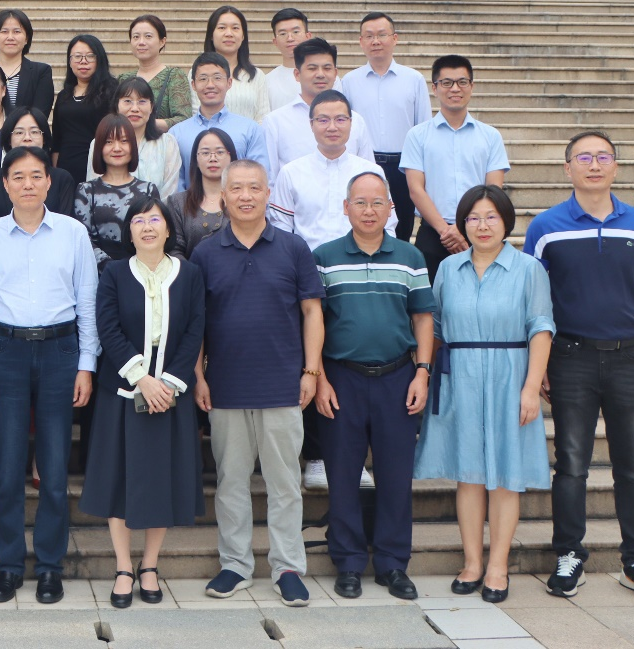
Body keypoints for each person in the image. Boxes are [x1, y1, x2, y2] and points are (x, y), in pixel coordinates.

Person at [526, 131, 634, 604]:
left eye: (603, 157)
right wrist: (539, 362)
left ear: (615, 166)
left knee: (632, 465)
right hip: (570, 357)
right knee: (571, 465)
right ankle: (569, 554)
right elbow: (533, 299)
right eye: (584, 157)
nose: (594, 165)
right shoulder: (545, 227)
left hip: (630, 357)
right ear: (567, 167)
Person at [0, 146, 100, 605]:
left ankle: (49, 568)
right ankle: (8, 567)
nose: (27, 184)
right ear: (5, 185)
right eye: (18, 176)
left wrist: (86, 364)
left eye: (36, 175)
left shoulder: (73, 233)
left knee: (55, 469)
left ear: (49, 182)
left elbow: (87, 301)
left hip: (61, 350)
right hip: (6, 352)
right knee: (7, 468)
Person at [191, 159, 322, 607]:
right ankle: (235, 564)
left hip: (282, 384)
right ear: (223, 196)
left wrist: (311, 371)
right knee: (231, 482)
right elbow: (196, 323)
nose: (246, 196)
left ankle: (287, 567)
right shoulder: (206, 252)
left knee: (285, 482)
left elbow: (312, 312)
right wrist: (198, 375)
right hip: (225, 386)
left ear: (268, 194)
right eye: (237, 188)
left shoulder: (293, 248)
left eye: (254, 188)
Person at [415, 184, 553, 605]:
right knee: (469, 474)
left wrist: (532, 386)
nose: (482, 225)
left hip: (510, 375)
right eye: (473, 217)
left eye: (491, 216)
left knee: (506, 475)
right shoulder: (448, 268)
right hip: (460, 375)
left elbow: (541, 327)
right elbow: (435, 327)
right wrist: (425, 373)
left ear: (506, 221)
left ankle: (498, 566)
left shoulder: (528, 269)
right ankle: (473, 562)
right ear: (462, 224)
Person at [312, 171, 435, 602]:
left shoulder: (410, 257)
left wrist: (422, 372)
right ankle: (347, 562)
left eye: (377, 202)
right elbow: (313, 322)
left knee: (396, 476)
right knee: (342, 475)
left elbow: (423, 317)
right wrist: (319, 378)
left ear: (391, 208)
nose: (369, 210)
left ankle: (392, 563)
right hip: (341, 378)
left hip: (398, 378)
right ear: (345, 208)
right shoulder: (324, 257)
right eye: (360, 202)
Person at [81, 195, 205, 609]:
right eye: (138, 221)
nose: (147, 227)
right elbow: (108, 327)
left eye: (155, 219)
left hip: (171, 394)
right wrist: (142, 379)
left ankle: (149, 565)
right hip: (123, 391)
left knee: (162, 479)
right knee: (119, 479)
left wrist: (168, 383)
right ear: (129, 232)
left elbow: (195, 330)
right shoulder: (115, 273)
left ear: (168, 229)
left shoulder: (190, 274)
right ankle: (122, 567)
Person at [401, 55, 510, 281]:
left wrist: (464, 227)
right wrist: (446, 230)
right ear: (434, 88)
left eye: (462, 82)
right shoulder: (417, 136)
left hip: (480, 230)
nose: (455, 89)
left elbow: (494, 190)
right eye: (447, 82)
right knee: (431, 299)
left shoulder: (490, 136)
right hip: (433, 233)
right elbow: (415, 189)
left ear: (471, 86)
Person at [341, 12, 429, 242]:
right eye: (369, 36)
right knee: (363, 225)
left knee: (402, 228)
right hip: (364, 163)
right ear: (361, 41)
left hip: (403, 167)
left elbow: (423, 128)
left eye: (382, 35)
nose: (375, 41)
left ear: (394, 38)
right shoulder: (349, 81)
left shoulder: (414, 79)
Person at [269, 91, 394, 250]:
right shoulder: (291, 173)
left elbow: (388, 224)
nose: (332, 127)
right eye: (323, 120)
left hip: (361, 261)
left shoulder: (371, 172)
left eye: (340, 119)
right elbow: (281, 227)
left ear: (351, 123)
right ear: (311, 124)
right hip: (307, 261)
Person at [262, 39, 376, 174]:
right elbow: (269, 177)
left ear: (335, 73)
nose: (320, 74)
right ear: (297, 74)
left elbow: (369, 172)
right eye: (312, 68)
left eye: (327, 68)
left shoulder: (355, 120)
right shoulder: (276, 122)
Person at [75, 114, 163, 272]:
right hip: (99, 274)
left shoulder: (148, 189)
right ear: (99, 147)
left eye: (124, 141)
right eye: (109, 142)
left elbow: (156, 232)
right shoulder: (86, 191)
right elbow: (82, 238)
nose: (117, 148)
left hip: (141, 272)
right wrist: (112, 269)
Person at [168, 54, 268, 190]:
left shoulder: (251, 130)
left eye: (217, 78)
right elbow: (175, 184)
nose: (210, 85)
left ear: (229, 83)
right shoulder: (176, 133)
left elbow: (260, 178)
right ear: (193, 85)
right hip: (190, 203)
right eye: (203, 79)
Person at [0, 107, 78, 219]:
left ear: (44, 139)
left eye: (34, 132)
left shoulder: (62, 178)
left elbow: (65, 222)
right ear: (9, 139)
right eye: (19, 132)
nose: (27, 138)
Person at [91, 77, 180, 199]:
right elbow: (94, 188)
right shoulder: (100, 143)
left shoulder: (167, 143)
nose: (134, 109)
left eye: (142, 101)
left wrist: (152, 210)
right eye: (127, 101)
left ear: (151, 107)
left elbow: (170, 194)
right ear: (117, 105)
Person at [52, 33, 115, 184]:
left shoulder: (112, 91)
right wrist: (56, 172)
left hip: (98, 167)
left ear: (99, 59)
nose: (83, 61)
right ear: (70, 61)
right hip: (66, 169)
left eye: (90, 56)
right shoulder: (63, 96)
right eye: (77, 56)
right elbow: (57, 140)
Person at [166, 127, 234, 256]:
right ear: (195, 159)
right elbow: (174, 249)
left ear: (231, 157)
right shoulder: (177, 203)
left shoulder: (242, 199)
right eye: (205, 153)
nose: (213, 158)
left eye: (220, 152)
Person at [122, 14, 192, 132]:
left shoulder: (174, 76)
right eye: (136, 37)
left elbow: (184, 119)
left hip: (161, 141)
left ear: (162, 41)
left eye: (148, 36)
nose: (141, 42)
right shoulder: (124, 79)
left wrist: (144, 122)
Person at [265, 8, 340, 112]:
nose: (290, 38)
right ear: (275, 41)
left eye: (296, 32)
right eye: (283, 34)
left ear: (308, 36)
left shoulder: (328, 78)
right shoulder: (267, 81)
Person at [204, 5, 269, 123]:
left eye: (235, 28)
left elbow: (263, 118)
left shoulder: (256, 75)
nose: (229, 33)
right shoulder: (198, 73)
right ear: (211, 35)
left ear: (243, 36)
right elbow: (195, 115)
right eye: (222, 28)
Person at [0, 8, 54, 113]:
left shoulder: (41, 72)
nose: (10, 37)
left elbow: (40, 114)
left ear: (26, 38)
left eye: (17, 31)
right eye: (4, 31)